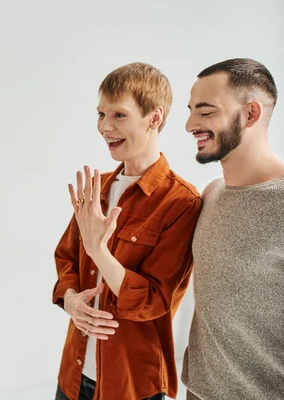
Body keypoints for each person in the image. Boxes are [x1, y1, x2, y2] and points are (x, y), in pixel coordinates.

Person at [53, 62, 202, 400]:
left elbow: (154, 300)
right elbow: (66, 259)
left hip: (132, 386)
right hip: (74, 376)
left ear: (155, 117)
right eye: (101, 114)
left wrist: (98, 251)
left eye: (119, 115)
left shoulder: (181, 202)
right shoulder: (98, 189)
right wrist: (71, 299)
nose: (105, 126)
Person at [181, 58, 284, 399]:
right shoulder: (211, 194)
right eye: (190, 111)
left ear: (250, 114)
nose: (189, 124)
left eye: (205, 112)